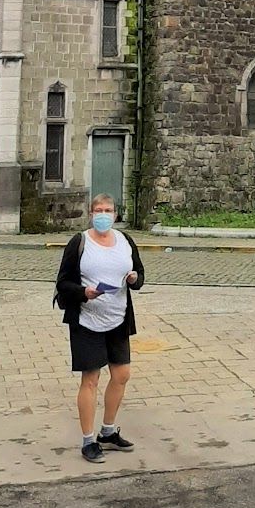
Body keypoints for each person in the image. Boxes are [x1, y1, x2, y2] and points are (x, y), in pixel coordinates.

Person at [53, 194, 145, 462]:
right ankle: (88, 440)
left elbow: (139, 274)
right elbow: (63, 283)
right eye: (98, 210)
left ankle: (108, 431)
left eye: (108, 210)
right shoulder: (80, 242)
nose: (103, 215)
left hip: (118, 318)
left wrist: (134, 279)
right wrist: (84, 292)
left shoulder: (125, 241)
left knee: (122, 375)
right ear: (91, 214)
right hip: (87, 321)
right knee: (90, 379)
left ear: (115, 214)